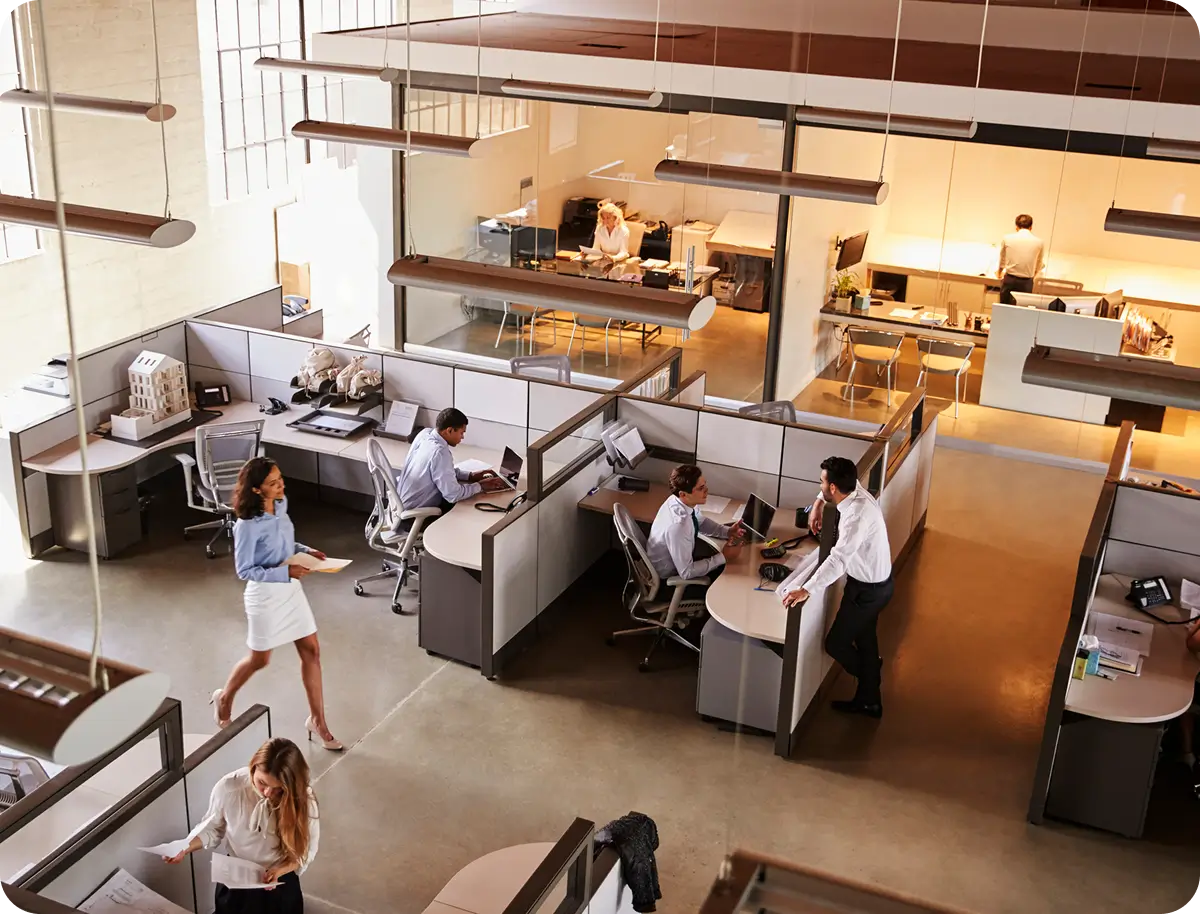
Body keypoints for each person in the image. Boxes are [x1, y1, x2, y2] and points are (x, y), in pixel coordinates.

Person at [211, 458, 342, 751]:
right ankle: (225, 697)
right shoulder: (247, 526)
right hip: (265, 595)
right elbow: (244, 570)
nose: (281, 485)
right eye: (273, 483)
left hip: (290, 590)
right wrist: (285, 572)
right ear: (257, 490)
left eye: (280, 478)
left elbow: (284, 545)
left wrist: (306, 551)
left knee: (312, 651)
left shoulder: (280, 505)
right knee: (260, 660)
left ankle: (318, 722)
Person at [784, 456, 893, 719]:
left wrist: (807, 588)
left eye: (822, 482)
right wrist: (818, 504)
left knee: (836, 644)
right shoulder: (855, 491)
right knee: (866, 640)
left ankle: (870, 678)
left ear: (833, 487)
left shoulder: (855, 517)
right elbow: (830, 488)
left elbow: (839, 560)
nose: (819, 485)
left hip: (867, 591)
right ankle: (870, 701)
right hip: (877, 585)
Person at [164, 737, 318, 914]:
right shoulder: (230, 788)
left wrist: (280, 870)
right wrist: (185, 846)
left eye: (278, 789)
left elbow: (306, 851)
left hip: (279, 880)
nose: (268, 793)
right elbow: (213, 828)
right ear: (253, 767)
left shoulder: (304, 800)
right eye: (262, 783)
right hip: (235, 879)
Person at [646, 465, 742, 583]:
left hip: (681, 562)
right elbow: (686, 572)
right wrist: (724, 557)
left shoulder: (680, 501)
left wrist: (727, 531)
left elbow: (700, 521)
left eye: (705, 485)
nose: (706, 490)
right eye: (701, 488)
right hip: (669, 577)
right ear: (683, 494)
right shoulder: (678, 526)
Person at [395, 408, 500, 515]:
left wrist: (470, 476)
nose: (462, 437)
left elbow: (441, 471)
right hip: (415, 513)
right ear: (449, 430)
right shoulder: (439, 452)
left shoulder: (425, 434)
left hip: (400, 505)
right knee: (471, 511)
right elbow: (453, 495)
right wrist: (481, 486)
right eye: (461, 432)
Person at [996, 214, 1045, 304]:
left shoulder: (1007, 238)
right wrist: (1032, 275)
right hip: (1026, 282)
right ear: (1031, 227)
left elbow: (1002, 260)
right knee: (1022, 309)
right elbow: (1039, 264)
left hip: (1009, 279)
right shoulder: (1039, 242)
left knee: (1004, 308)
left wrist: (999, 273)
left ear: (1016, 227)